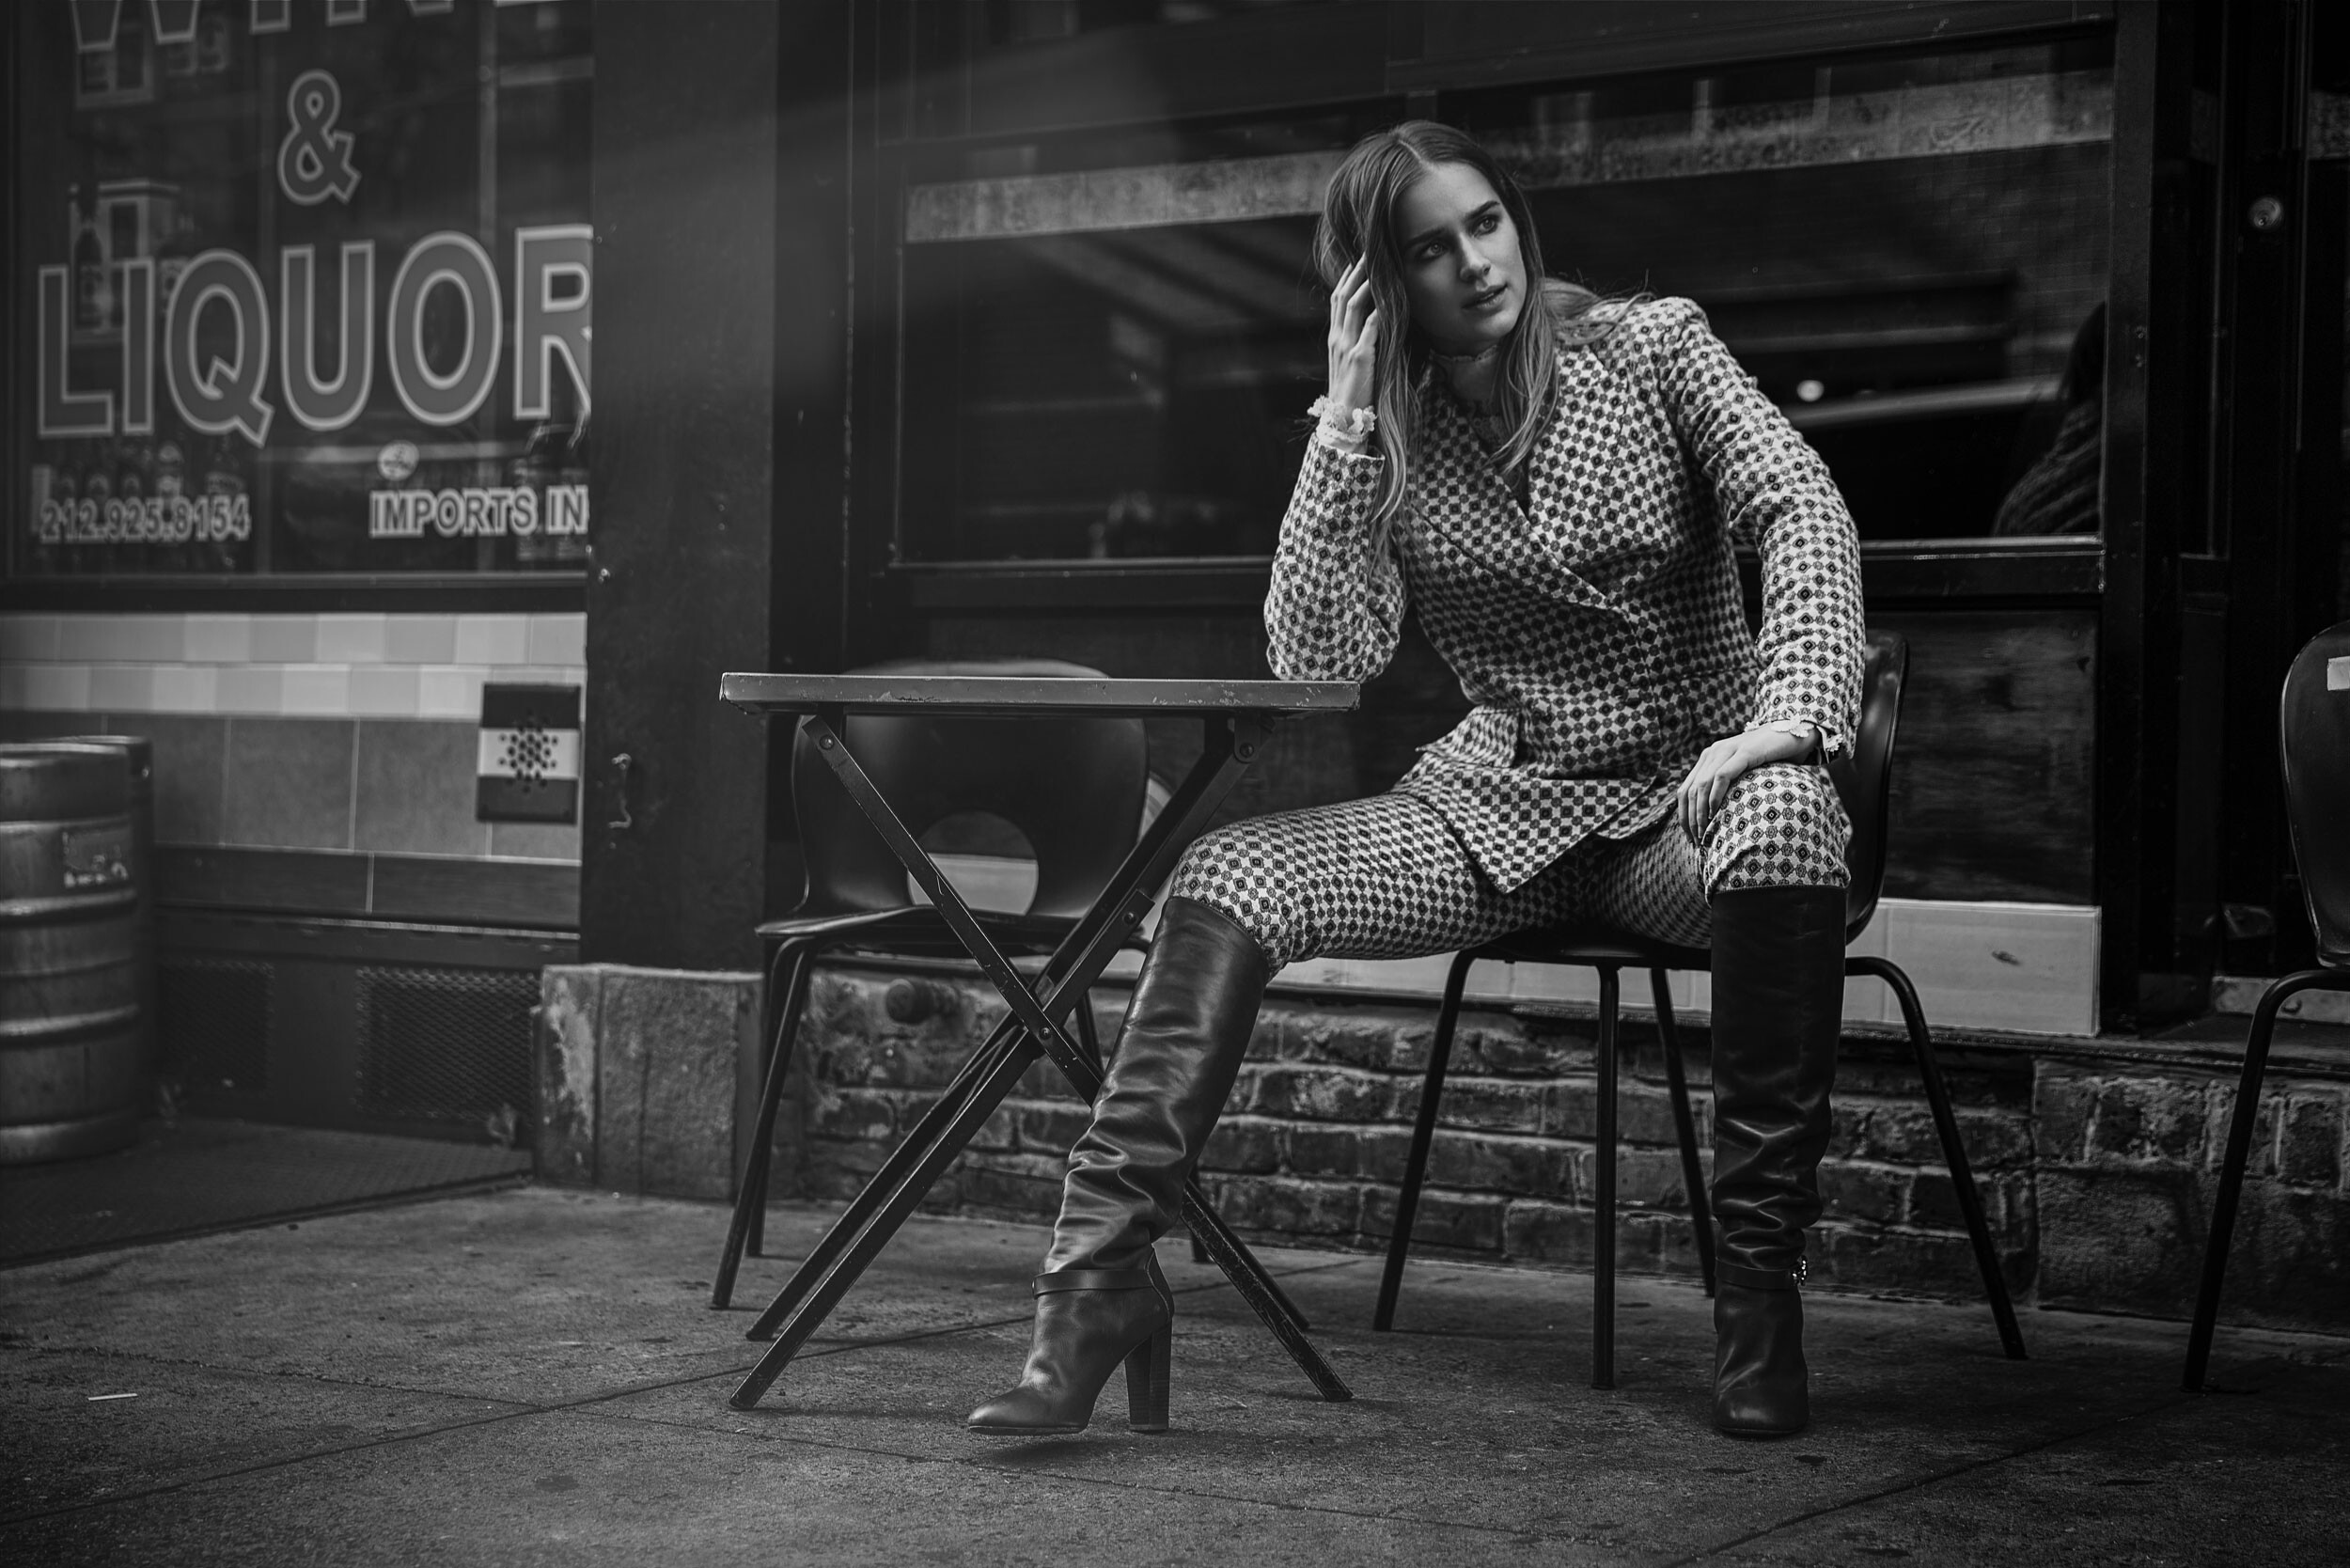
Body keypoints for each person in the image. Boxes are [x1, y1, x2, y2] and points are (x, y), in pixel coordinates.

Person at [967, 121, 1864, 1441]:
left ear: (1518, 225)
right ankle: (1094, 1282)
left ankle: (1759, 1298)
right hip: (1504, 812)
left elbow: (1799, 504)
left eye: (1486, 224)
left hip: (1690, 807)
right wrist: (1342, 418)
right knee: (1231, 870)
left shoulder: (1653, 349)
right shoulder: (1392, 429)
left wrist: (1788, 720)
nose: (1475, 263)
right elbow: (1321, 660)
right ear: (1383, 283)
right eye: (1432, 249)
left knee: (1789, 819)